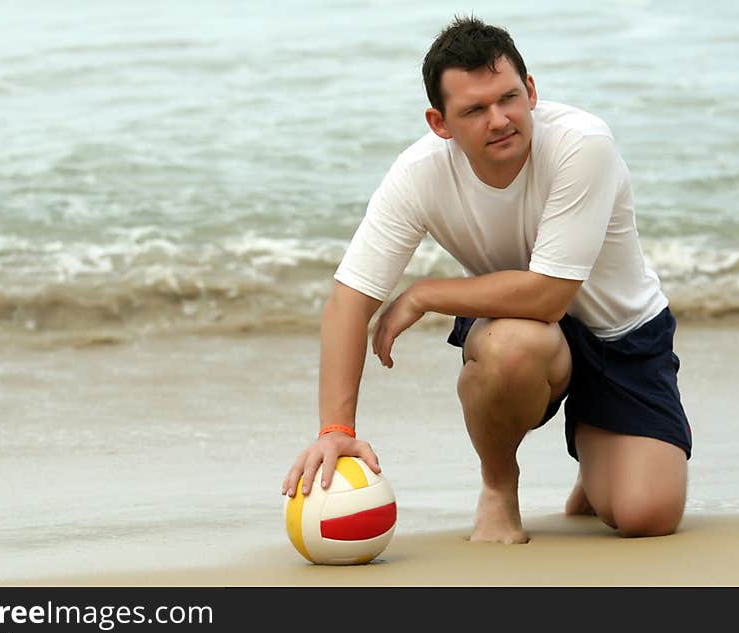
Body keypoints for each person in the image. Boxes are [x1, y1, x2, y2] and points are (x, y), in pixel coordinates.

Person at [280, 16, 692, 543]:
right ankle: (500, 487)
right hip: (524, 334)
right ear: (440, 122)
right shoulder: (419, 173)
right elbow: (347, 300)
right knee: (513, 344)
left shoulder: (582, 143)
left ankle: (602, 454)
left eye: (509, 98)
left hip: (623, 335)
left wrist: (427, 294)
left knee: (644, 518)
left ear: (532, 91)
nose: (499, 120)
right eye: (475, 109)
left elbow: (549, 293)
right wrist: (336, 431)